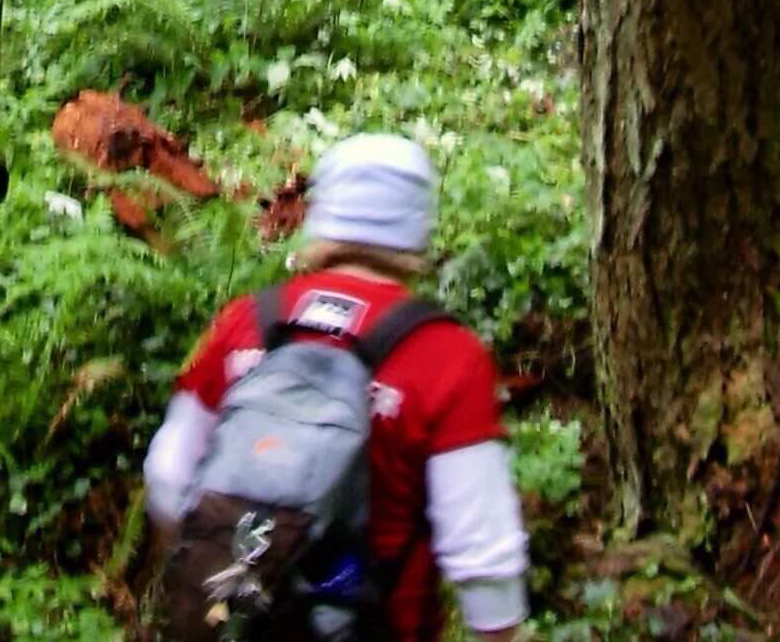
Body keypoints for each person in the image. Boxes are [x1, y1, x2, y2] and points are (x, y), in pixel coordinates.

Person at [143, 133, 529, 642]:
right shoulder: (447, 355)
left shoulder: (245, 321)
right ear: (418, 225)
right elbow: (486, 561)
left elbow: (167, 476)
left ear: (322, 212)